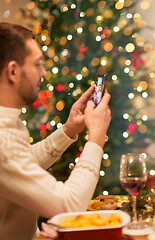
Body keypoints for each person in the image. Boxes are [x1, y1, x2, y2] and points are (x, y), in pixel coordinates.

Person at [0, 22, 111, 239]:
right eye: (37, 64)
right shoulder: (3, 139)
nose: (43, 72)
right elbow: (68, 205)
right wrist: (96, 137)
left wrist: (69, 130)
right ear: (13, 71)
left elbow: (23, 162)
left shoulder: (9, 122)